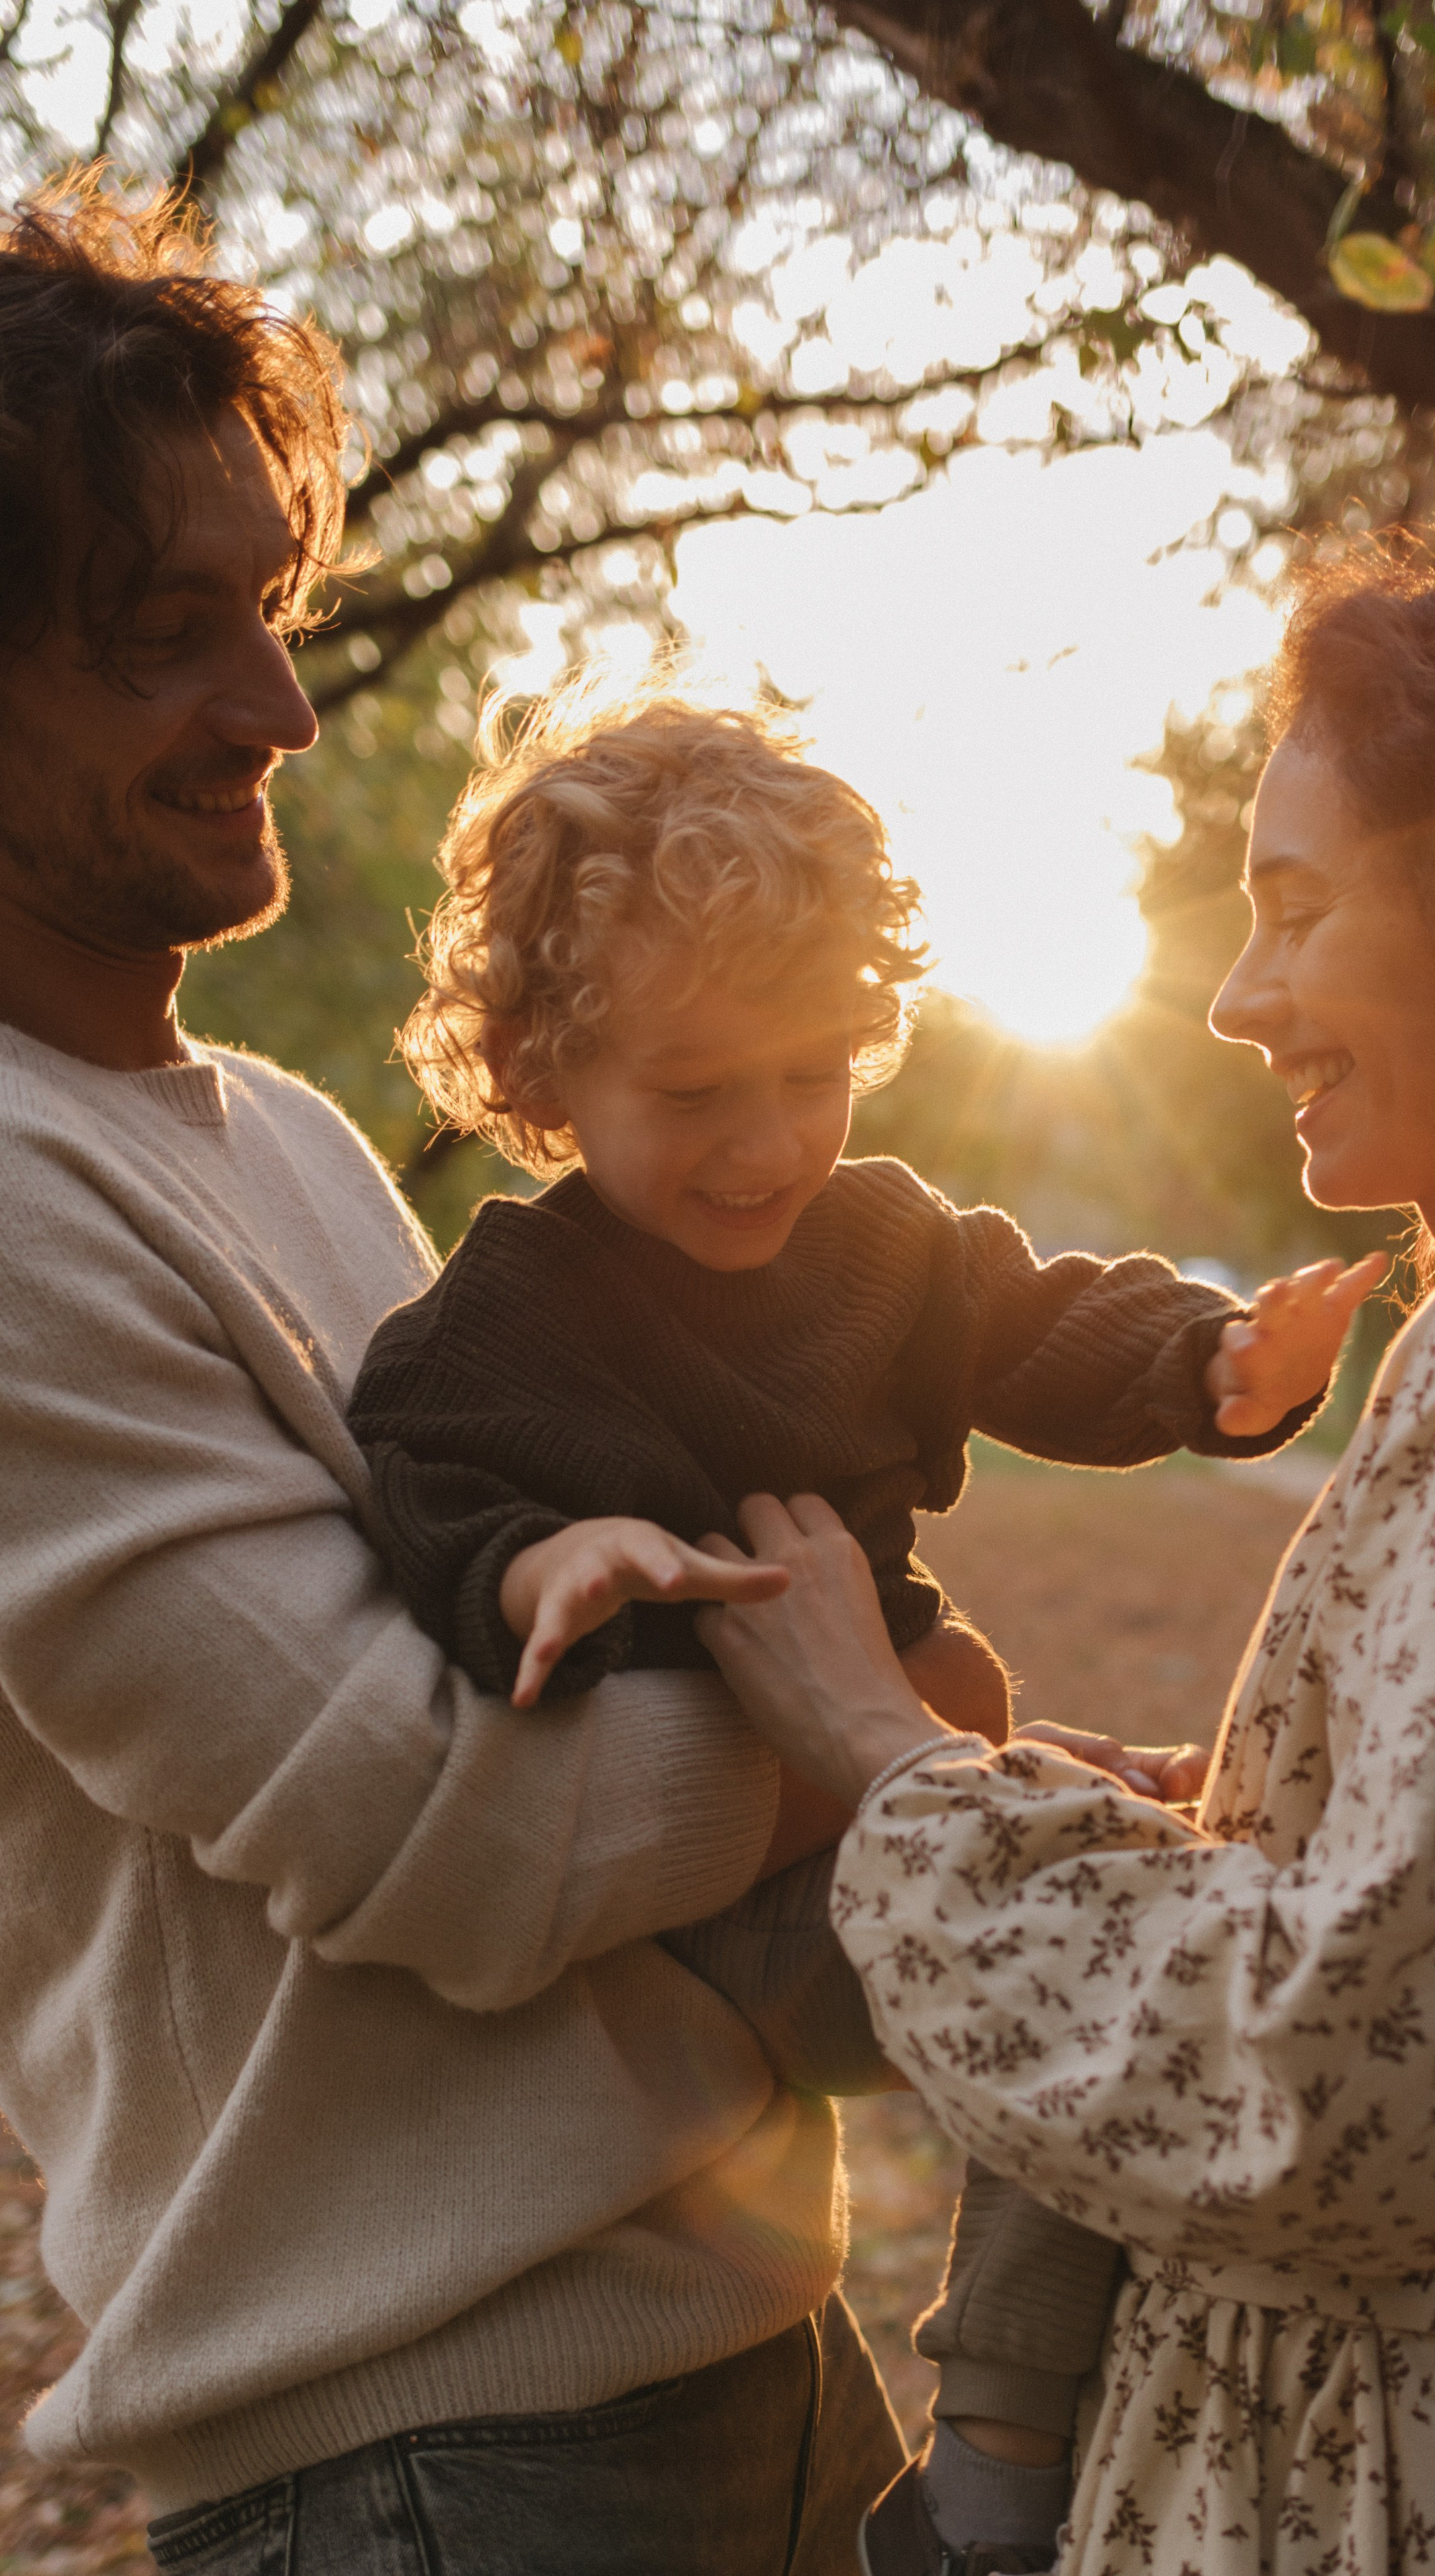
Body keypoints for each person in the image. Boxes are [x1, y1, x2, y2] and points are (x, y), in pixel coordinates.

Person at [0, 169, 902, 2575]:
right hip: (431, 2462)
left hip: (739, 2349)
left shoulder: (274, 1135)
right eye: (171, 636)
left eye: (275, 617)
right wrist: (889, 1725)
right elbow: (470, 1838)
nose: (279, 709)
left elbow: (569, 1617)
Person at [690, 541, 1435, 2576]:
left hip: (1345, 2490)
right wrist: (1216, 1825)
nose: (1244, 999)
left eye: (1299, 908)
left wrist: (896, 1767)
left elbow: (1333, 2094)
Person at [343, 684, 1381, 2565]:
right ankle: (990, 2494)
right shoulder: (511, 1318)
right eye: (693, 1092)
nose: (766, 1144)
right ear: (540, 1070)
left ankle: (1047, 2419)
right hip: (733, 1903)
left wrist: (1212, 1360)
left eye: (812, 1073)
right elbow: (428, 1483)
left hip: (889, 1781)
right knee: (1073, 1974)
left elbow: (1036, 1320)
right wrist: (539, 1571)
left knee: (1132, 1956)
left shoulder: (881, 1240)